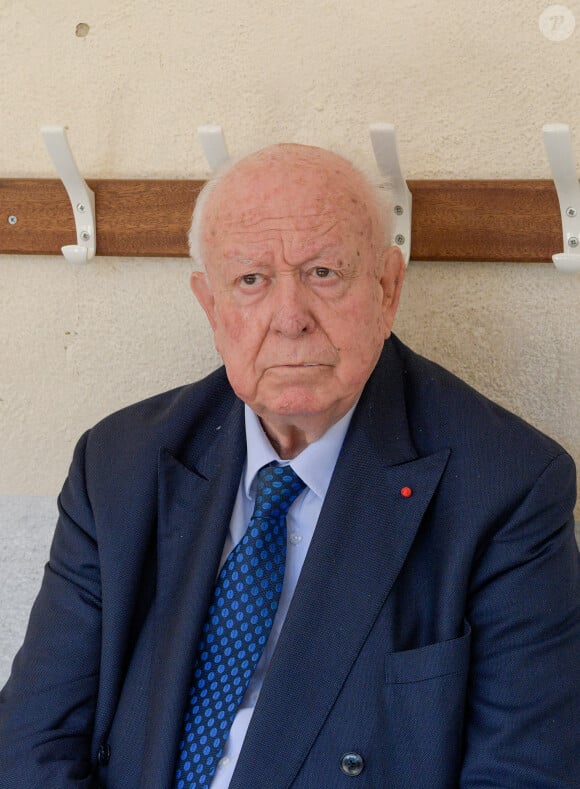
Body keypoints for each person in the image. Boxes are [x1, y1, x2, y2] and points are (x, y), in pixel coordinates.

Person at [0, 143, 578, 789]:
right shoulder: (119, 463)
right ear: (211, 307)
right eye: (251, 279)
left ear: (388, 287)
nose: (289, 318)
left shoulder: (508, 483)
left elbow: (525, 772)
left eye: (323, 272)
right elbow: (34, 734)